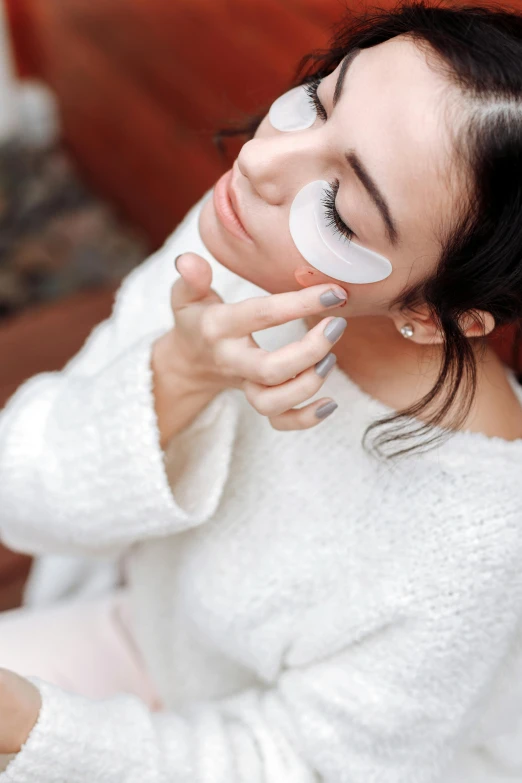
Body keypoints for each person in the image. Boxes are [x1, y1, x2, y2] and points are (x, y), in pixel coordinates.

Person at [1, 1, 522, 780]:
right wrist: (179, 374)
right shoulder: (251, 247)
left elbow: (305, 764)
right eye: (320, 98)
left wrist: (40, 730)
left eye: (340, 208)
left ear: (430, 311)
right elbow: (19, 491)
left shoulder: (477, 530)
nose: (261, 162)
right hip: (141, 640)